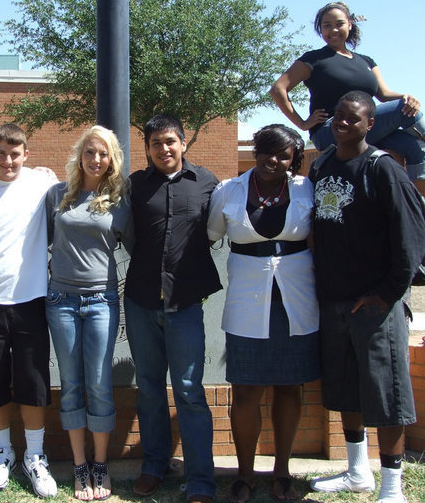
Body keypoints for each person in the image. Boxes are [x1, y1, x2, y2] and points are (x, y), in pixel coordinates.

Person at [270, 1, 425, 250]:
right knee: (405, 111)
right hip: (333, 132)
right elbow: (278, 89)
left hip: (367, 129)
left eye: (339, 24)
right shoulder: (313, 60)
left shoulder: (366, 61)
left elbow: (384, 94)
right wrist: (303, 123)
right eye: (326, 26)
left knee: (415, 144)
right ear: (320, 30)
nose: (333, 30)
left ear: (350, 25)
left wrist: (408, 97)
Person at [309, 91, 425, 503]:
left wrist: (385, 294)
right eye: (339, 116)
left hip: (374, 306)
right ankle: (357, 472)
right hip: (333, 300)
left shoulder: (382, 170)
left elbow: (411, 240)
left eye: (353, 118)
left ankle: (393, 487)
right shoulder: (322, 165)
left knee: (386, 391)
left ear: (370, 124)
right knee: (346, 389)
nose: (343, 123)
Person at [207, 124, 320, 502]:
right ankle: (243, 475)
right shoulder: (229, 190)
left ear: (294, 159)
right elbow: (210, 234)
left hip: (296, 302)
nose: (274, 160)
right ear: (255, 151)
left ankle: (283, 471)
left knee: (290, 387)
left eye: (283, 154)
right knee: (246, 390)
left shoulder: (307, 189)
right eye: (267, 151)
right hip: (247, 303)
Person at [124, 114, 221, 503]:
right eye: (155, 143)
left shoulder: (207, 183)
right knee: (148, 387)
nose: (164, 149)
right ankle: (155, 463)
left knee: (188, 390)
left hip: (184, 304)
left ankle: (200, 480)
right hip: (141, 299)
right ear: (146, 149)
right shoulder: (134, 186)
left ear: (183, 143)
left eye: (170, 142)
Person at [0, 124, 59, 498]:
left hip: (31, 299)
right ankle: (2, 453)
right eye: (1, 153)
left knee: (33, 382)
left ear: (26, 155)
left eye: (15, 153)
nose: (8, 160)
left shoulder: (42, 184)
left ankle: (35, 457)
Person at [45, 126, 131, 501]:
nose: (96, 160)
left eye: (104, 154)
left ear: (112, 159)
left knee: (98, 383)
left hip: (101, 300)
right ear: (80, 154)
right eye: (90, 152)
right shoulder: (57, 195)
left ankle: (100, 463)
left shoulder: (119, 198)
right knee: (72, 383)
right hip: (60, 299)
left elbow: (140, 244)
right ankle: (79, 466)